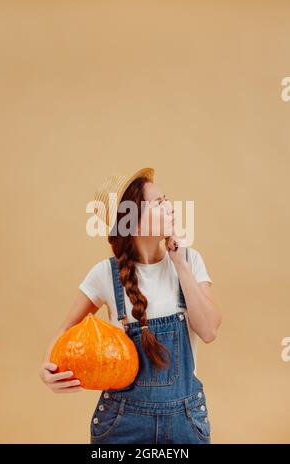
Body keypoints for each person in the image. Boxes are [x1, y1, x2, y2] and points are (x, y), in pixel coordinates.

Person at [39, 167, 222, 444]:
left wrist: (181, 264)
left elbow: (209, 331)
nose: (170, 207)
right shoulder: (105, 274)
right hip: (122, 423)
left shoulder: (190, 261)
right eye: (159, 203)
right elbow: (64, 333)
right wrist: (47, 370)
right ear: (133, 222)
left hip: (186, 420)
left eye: (166, 199)